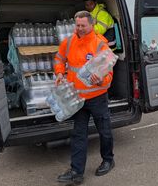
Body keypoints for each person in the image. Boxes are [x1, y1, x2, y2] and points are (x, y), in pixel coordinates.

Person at [55, 11, 115, 185]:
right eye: (77, 25)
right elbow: (59, 58)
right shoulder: (68, 42)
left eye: (83, 25)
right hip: (78, 98)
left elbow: (109, 75)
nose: (79, 29)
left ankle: (108, 160)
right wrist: (59, 72)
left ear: (91, 25)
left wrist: (100, 80)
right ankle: (76, 171)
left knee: (104, 131)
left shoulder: (100, 45)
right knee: (78, 135)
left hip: (97, 98)